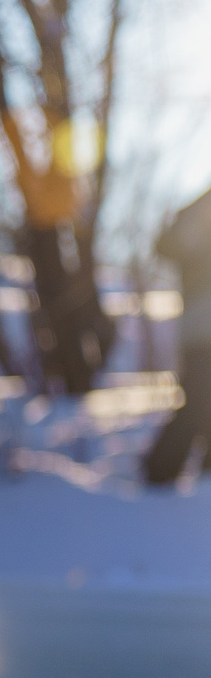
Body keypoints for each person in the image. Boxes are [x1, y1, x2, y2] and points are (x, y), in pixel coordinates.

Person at [142, 185, 211, 487]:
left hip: (198, 327)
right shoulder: (200, 210)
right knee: (197, 400)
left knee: (200, 400)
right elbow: (167, 247)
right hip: (202, 328)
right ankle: (160, 471)